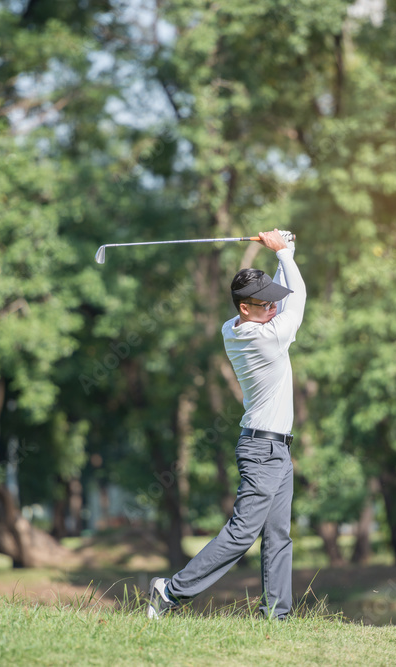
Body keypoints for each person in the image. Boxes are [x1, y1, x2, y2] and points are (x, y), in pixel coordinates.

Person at [147, 228, 307, 621]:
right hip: (262, 451)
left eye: (272, 303)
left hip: (276, 449)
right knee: (242, 533)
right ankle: (170, 591)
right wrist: (284, 254)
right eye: (264, 305)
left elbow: (284, 297)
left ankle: (277, 616)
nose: (273, 308)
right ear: (244, 310)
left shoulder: (232, 328)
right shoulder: (265, 339)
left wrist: (284, 254)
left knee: (278, 536)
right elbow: (299, 301)